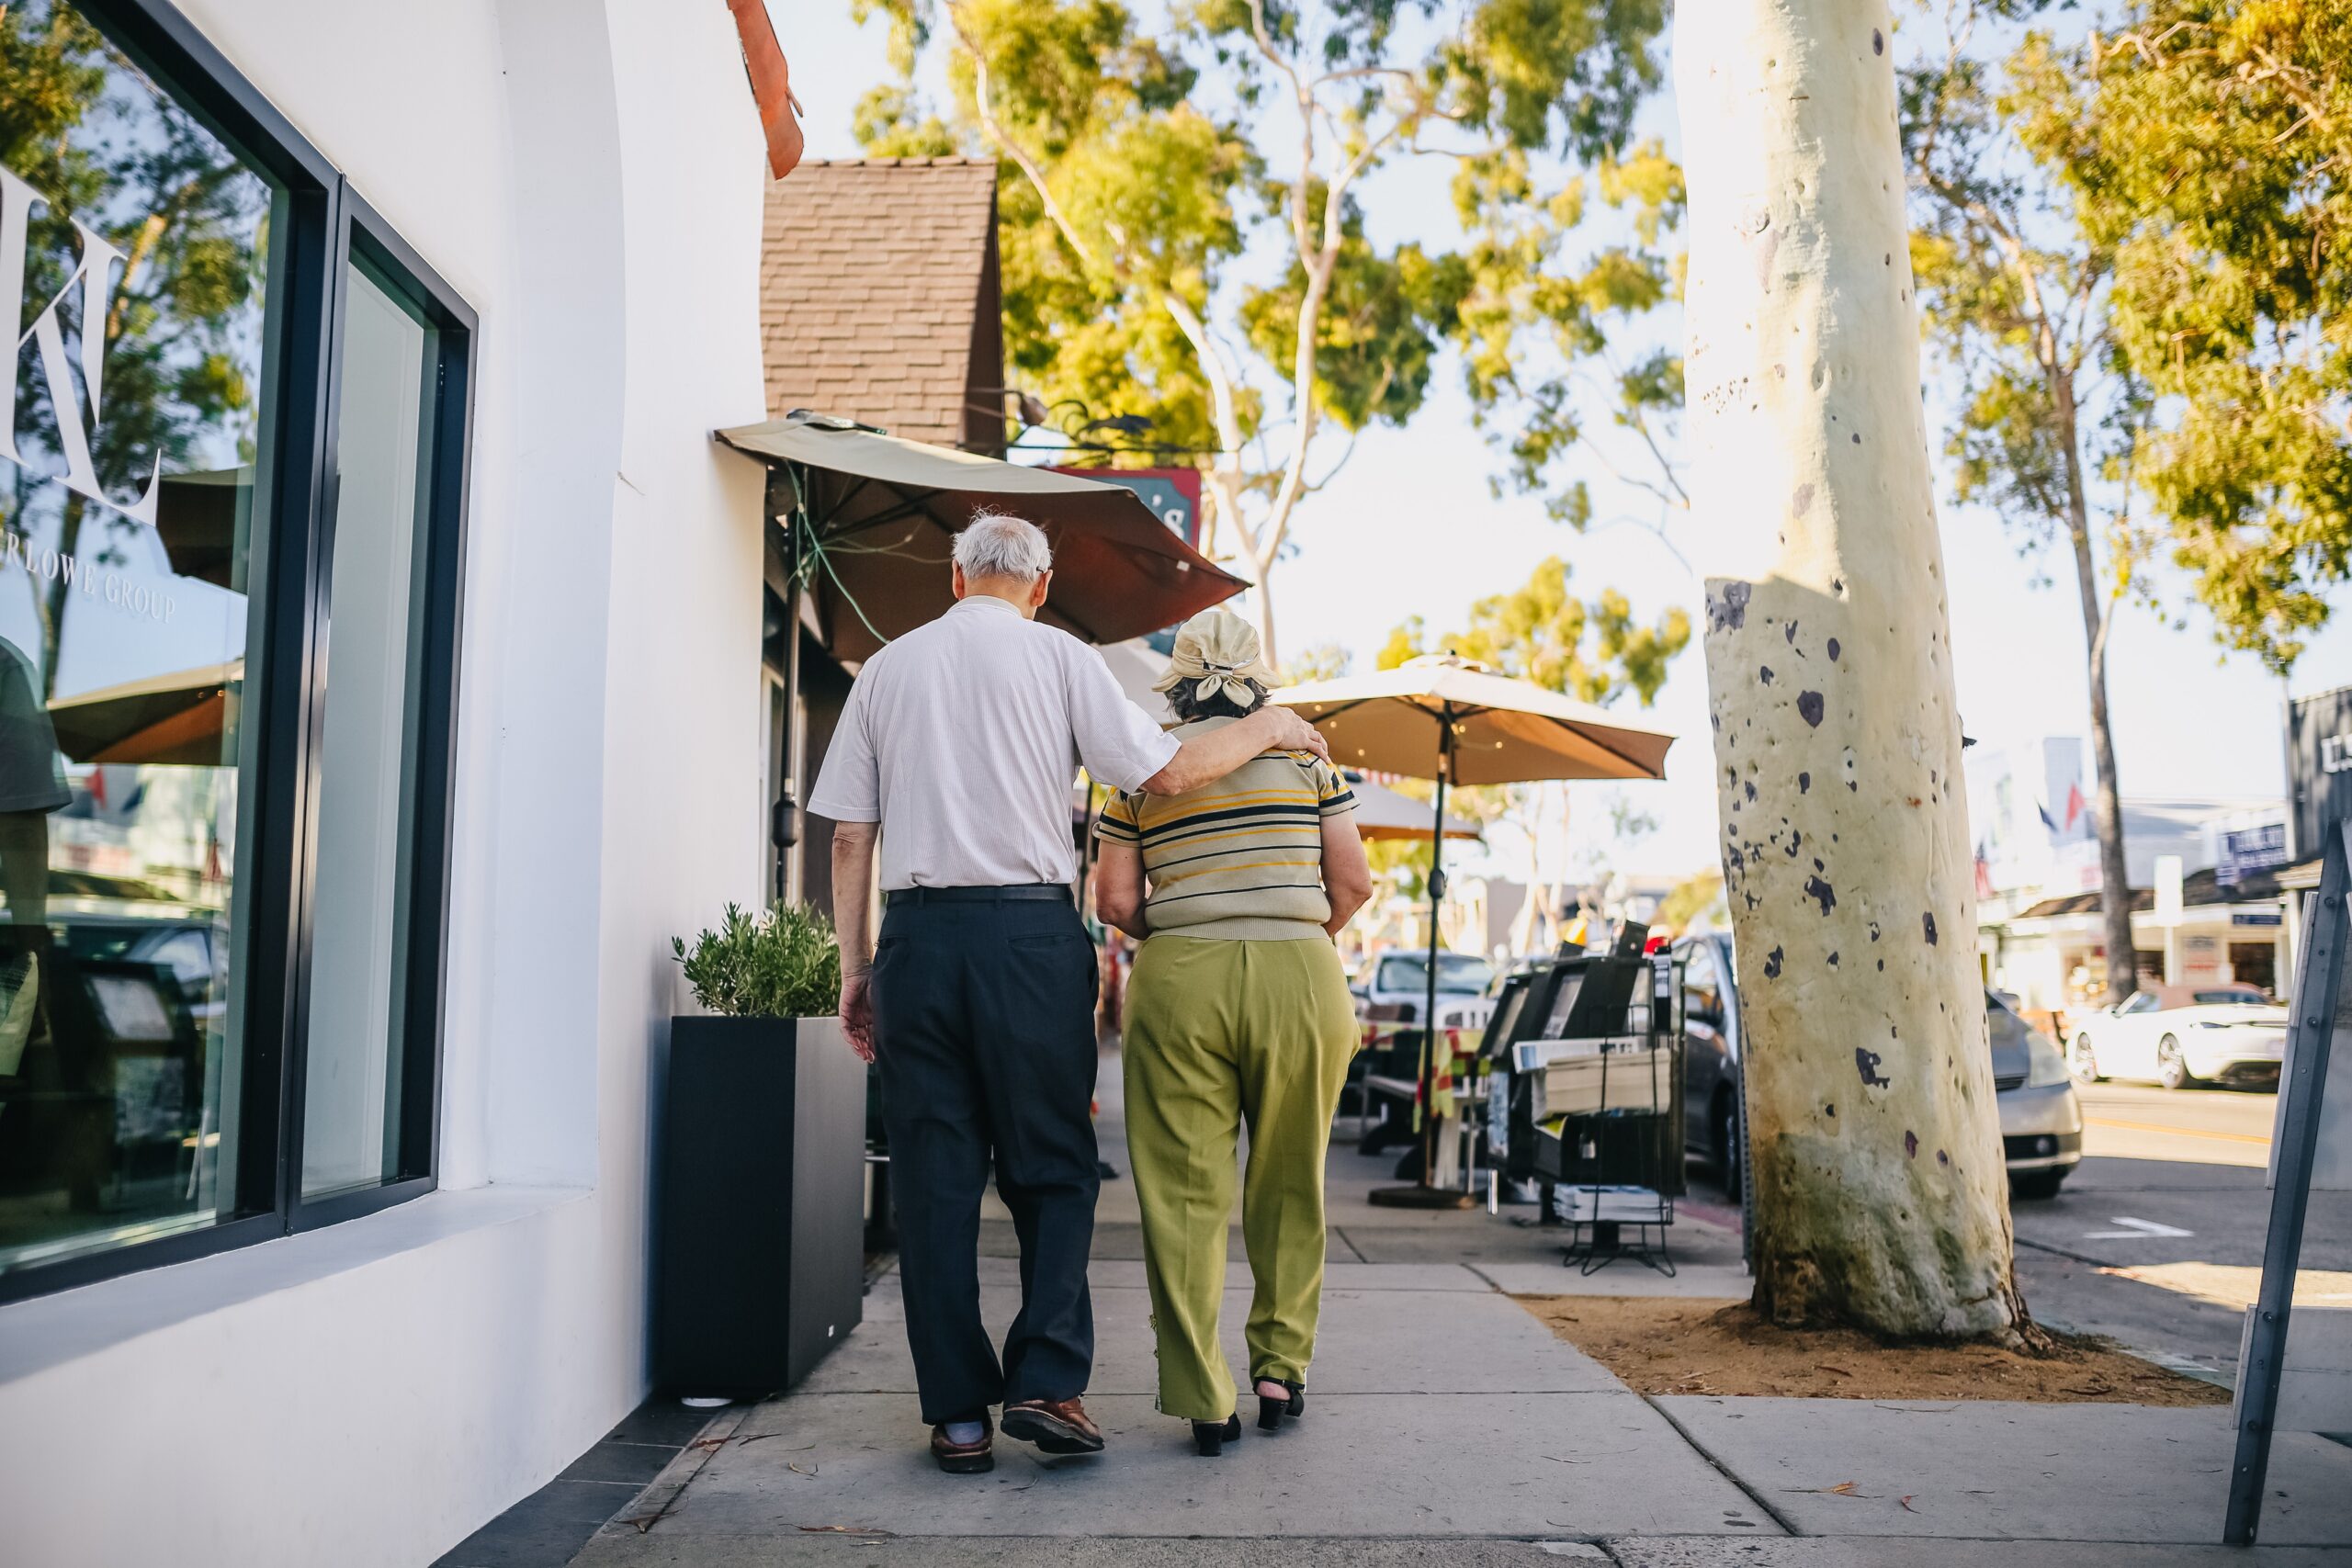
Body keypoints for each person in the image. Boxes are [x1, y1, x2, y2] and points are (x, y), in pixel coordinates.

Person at [808, 513, 1332, 1477]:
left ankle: (959, 1417)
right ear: (1040, 586)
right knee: (1052, 1166)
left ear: (955, 578)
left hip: (918, 939)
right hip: (1028, 940)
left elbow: (848, 835)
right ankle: (1048, 1384)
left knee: (933, 1183)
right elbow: (1168, 773)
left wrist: (857, 969)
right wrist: (1264, 725)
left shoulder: (886, 670)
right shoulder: (1064, 661)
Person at [1091, 610, 1374, 1457]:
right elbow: (1353, 882)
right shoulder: (1307, 764)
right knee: (1293, 1179)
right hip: (1302, 973)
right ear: (1258, 680)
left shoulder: (1141, 777)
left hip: (1180, 977)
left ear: (1175, 681)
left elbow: (1112, 901)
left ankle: (1203, 1394)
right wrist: (1288, 932)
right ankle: (1281, 1366)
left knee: (1182, 1193)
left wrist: (1187, 928)